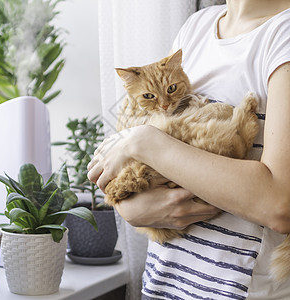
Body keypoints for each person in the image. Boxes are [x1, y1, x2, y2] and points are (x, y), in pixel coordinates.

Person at [87, 0, 290, 299]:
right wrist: (131, 209)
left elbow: (278, 204)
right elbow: (145, 161)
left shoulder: (282, 33)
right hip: (162, 283)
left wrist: (145, 141)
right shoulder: (197, 27)